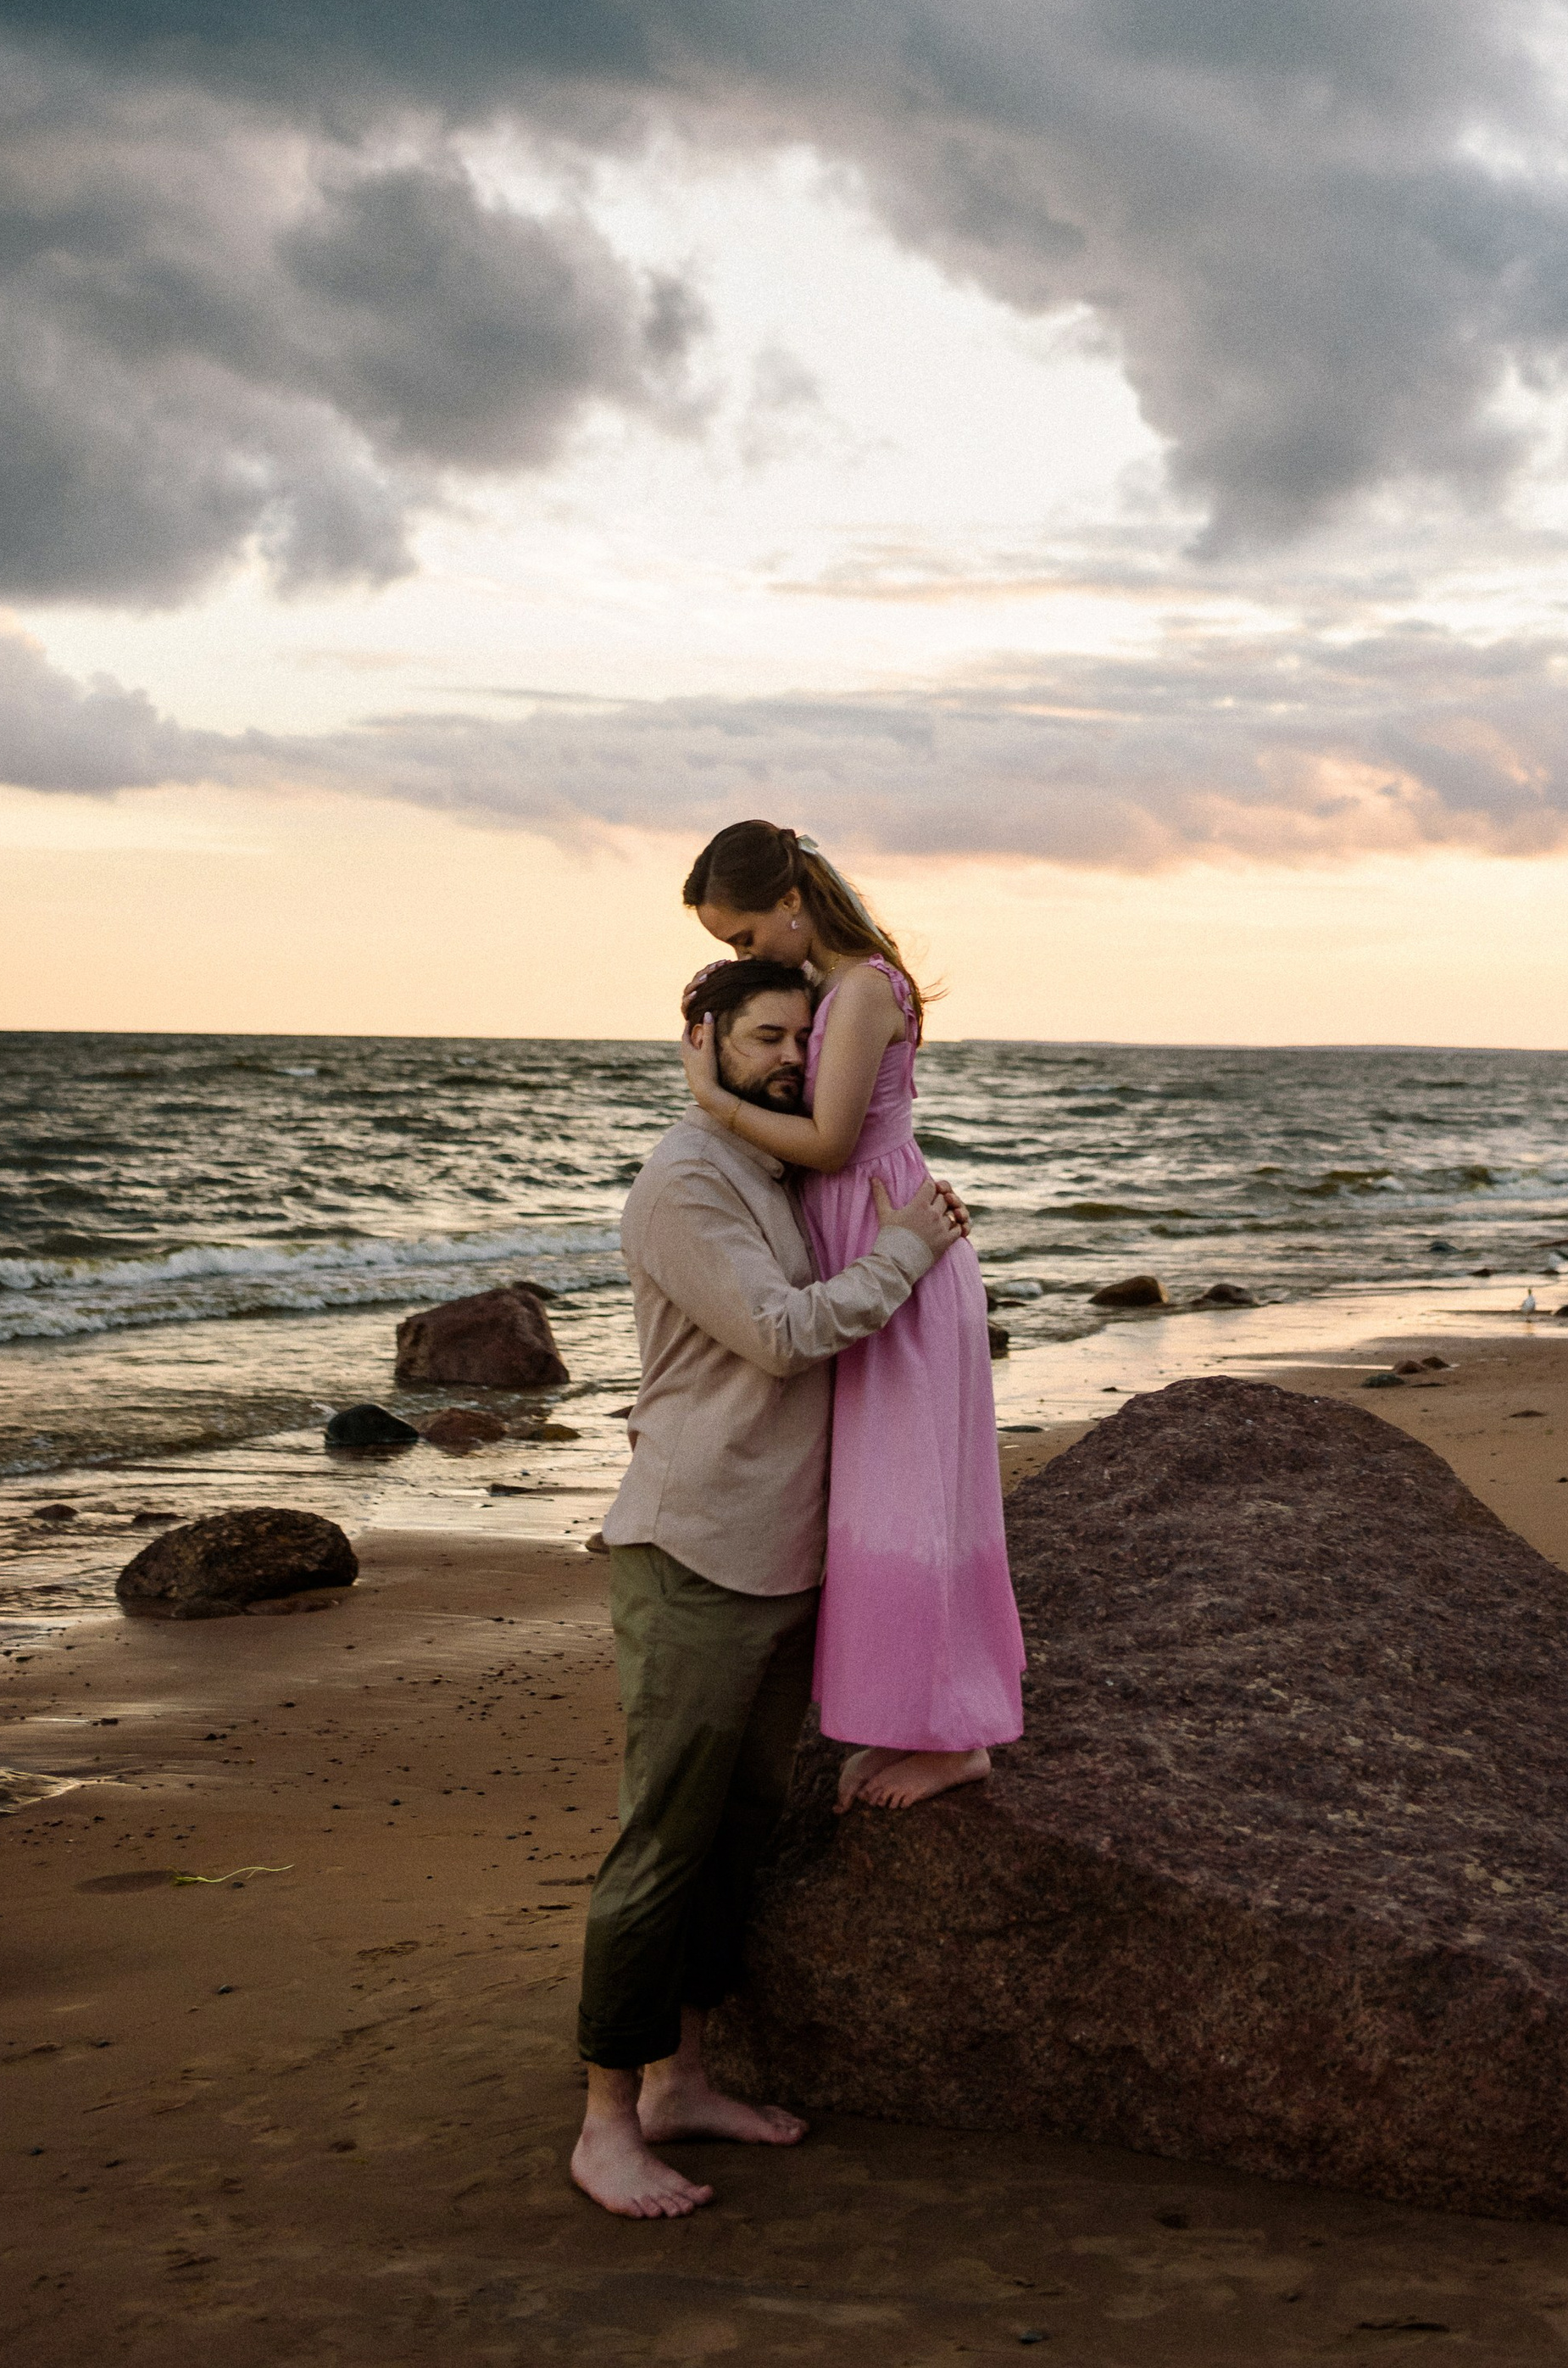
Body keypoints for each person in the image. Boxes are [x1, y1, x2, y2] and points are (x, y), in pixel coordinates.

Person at [572, 952, 970, 2221]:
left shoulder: (780, 1167)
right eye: (764, 1036)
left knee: (734, 1837)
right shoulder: (686, 1181)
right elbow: (786, 1333)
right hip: (694, 1551)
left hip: (785, 1557)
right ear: (701, 1038)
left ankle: (681, 2079)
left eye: (805, 1036)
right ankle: (604, 2122)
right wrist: (905, 1251)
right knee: (660, 1846)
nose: (795, 1059)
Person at [681, 818, 1026, 1818]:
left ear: (791, 900)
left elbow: (832, 1141)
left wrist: (708, 1097)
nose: (741, 953)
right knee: (874, 1505)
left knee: (914, 1500)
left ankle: (957, 1738)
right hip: (865, 1254)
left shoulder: (866, 986)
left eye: (744, 935)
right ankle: (908, 1716)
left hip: (896, 1262)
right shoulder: (826, 990)